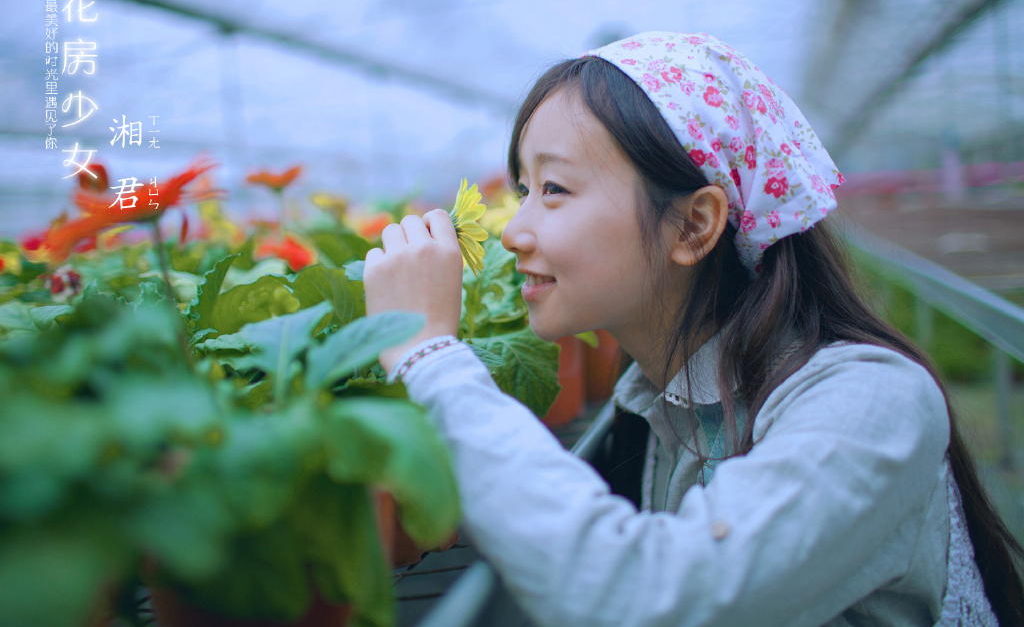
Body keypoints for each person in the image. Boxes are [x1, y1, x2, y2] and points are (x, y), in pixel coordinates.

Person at [362, 32, 1024, 626]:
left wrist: (432, 358)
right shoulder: (663, 404)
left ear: (695, 225)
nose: (513, 230)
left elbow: (645, 596)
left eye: (554, 189)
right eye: (522, 188)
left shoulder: (874, 402)